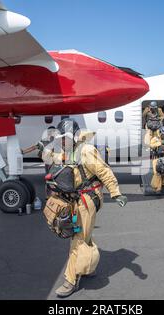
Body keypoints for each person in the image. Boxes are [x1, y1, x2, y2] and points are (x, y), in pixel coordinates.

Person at [43, 119, 128, 298]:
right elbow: (52, 161)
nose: (63, 141)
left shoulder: (87, 151)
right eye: (61, 139)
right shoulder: (63, 151)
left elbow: (104, 171)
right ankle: (89, 268)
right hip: (73, 200)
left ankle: (70, 280)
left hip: (86, 199)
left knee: (77, 239)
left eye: (66, 138)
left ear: (74, 136)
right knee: (85, 235)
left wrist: (116, 193)